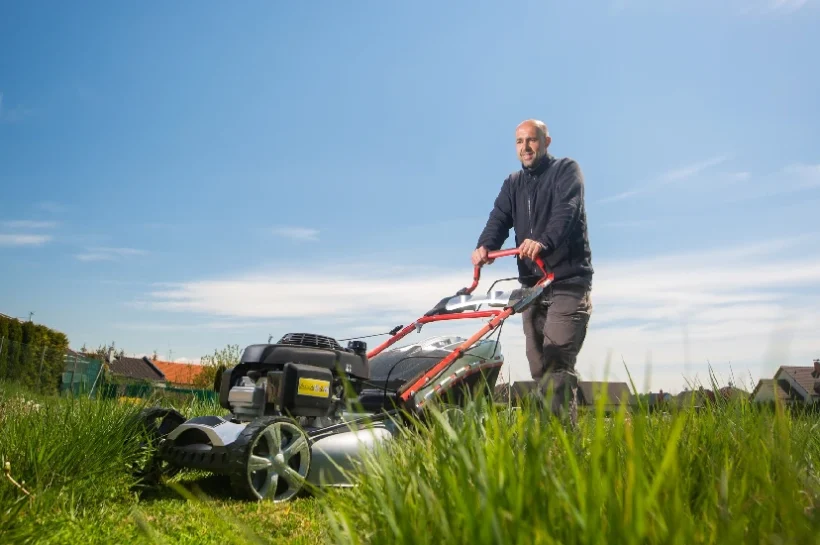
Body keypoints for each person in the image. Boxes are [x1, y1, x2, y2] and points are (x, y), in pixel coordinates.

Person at [472, 119, 593, 425]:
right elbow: (499, 218)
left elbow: (567, 211)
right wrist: (485, 246)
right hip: (533, 286)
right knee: (539, 367)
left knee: (556, 362)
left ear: (546, 142)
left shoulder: (566, 170)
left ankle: (564, 444)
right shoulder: (513, 183)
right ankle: (549, 438)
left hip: (567, 282)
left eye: (531, 140)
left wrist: (542, 242)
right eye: (519, 142)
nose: (525, 147)